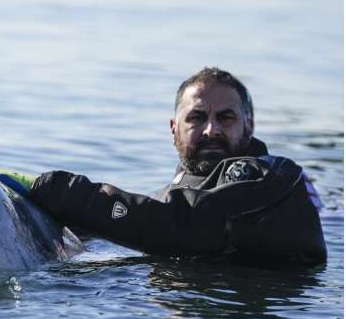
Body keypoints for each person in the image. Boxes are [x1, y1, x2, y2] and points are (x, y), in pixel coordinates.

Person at [26, 67, 327, 266]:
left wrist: (62, 192)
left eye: (225, 118)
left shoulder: (271, 180)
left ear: (249, 127)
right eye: (197, 117)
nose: (211, 130)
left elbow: (183, 226)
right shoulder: (172, 197)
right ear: (174, 128)